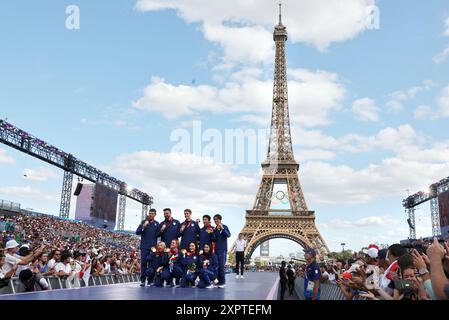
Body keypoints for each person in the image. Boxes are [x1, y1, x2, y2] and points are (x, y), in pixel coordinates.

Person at [136, 208, 159, 287]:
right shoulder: (143, 222)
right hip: (144, 247)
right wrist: (143, 226)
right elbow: (137, 232)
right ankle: (142, 280)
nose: (151, 215)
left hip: (153, 248)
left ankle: (150, 280)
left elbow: (158, 234)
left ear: (155, 215)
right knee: (143, 264)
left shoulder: (157, 224)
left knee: (152, 264)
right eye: (150, 213)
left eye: (152, 213)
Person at [213, 214, 231, 288]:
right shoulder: (215, 229)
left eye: (217, 219)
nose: (215, 221)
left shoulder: (225, 227)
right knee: (217, 266)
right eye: (214, 219)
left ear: (220, 219)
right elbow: (214, 239)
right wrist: (211, 233)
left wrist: (222, 228)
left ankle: (223, 282)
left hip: (222, 249)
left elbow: (228, 235)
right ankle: (219, 281)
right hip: (216, 249)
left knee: (221, 266)